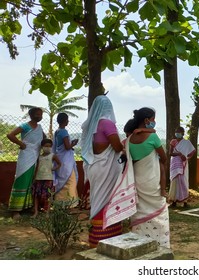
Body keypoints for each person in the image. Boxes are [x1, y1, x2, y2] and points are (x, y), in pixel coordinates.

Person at [81, 95, 124, 248]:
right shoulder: (107, 123)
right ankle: (106, 237)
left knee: (97, 199)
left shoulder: (90, 125)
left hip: (95, 166)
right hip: (106, 168)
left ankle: (95, 239)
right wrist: (125, 145)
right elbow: (117, 147)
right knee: (106, 200)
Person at [125, 107, 170, 248]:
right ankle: (160, 244)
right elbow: (163, 158)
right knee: (160, 211)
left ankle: (139, 244)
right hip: (153, 181)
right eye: (152, 119)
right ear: (146, 120)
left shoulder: (129, 140)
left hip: (137, 182)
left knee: (140, 212)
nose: (154, 122)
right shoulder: (153, 137)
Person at [7, 107, 45, 219]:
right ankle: (15, 210)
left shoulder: (39, 128)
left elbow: (44, 139)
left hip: (35, 156)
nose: (40, 116)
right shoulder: (25, 126)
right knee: (21, 180)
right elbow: (10, 135)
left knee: (30, 181)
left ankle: (26, 206)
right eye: (37, 114)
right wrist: (21, 144)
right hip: (25, 156)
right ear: (31, 115)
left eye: (41, 114)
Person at [53, 113, 79, 207]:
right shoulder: (63, 131)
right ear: (65, 121)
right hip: (66, 160)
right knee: (70, 180)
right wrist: (73, 144)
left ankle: (59, 202)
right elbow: (67, 147)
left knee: (62, 179)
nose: (68, 121)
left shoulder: (57, 131)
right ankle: (69, 204)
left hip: (60, 157)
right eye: (67, 120)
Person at [31, 139, 61, 217]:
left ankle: (47, 212)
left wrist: (54, 168)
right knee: (36, 195)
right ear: (42, 147)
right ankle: (36, 212)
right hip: (39, 178)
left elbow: (59, 164)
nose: (48, 148)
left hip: (48, 178)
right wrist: (34, 177)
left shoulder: (53, 155)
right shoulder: (39, 157)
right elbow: (37, 167)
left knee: (48, 195)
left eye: (50, 146)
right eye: (46, 146)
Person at [168, 126, 196, 208]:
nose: (177, 133)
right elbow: (170, 153)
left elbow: (192, 152)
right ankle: (174, 201)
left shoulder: (187, 143)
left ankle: (185, 202)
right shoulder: (173, 142)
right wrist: (179, 154)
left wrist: (186, 158)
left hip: (183, 164)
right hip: (175, 164)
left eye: (179, 132)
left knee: (183, 181)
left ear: (183, 133)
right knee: (174, 182)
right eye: (176, 131)